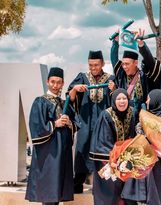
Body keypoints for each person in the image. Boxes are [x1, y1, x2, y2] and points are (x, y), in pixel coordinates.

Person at [25, 67, 79, 205]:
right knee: (49, 191)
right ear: (47, 82)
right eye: (53, 82)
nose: (55, 85)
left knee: (57, 191)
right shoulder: (40, 102)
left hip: (62, 153)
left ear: (63, 83)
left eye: (59, 82)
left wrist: (68, 123)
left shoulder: (63, 103)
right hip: (48, 154)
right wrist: (55, 124)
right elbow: (36, 127)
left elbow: (75, 124)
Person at [68, 50, 115, 193]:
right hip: (85, 121)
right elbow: (70, 97)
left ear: (101, 63)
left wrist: (114, 89)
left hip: (103, 123)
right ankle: (78, 183)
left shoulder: (110, 78)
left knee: (102, 151)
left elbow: (117, 99)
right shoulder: (82, 77)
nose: (93, 68)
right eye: (90, 65)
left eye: (96, 65)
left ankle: (103, 185)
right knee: (82, 149)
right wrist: (75, 89)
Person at [89, 88, 142, 205]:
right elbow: (103, 141)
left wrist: (130, 157)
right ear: (114, 100)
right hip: (109, 161)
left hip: (128, 162)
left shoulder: (133, 113)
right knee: (110, 194)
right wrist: (117, 160)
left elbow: (136, 136)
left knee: (128, 194)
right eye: (118, 99)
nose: (122, 101)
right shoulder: (106, 115)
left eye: (124, 98)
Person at [110, 34, 153, 115]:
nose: (124, 67)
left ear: (136, 63)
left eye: (127, 64)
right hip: (125, 113)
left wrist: (141, 44)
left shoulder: (144, 75)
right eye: (123, 64)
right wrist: (115, 42)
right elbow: (114, 58)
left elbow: (149, 60)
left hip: (142, 114)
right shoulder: (121, 74)